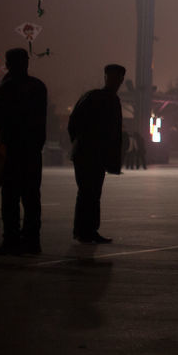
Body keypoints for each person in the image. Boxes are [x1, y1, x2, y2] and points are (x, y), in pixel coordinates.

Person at [0, 48, 48, 256]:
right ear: (27, 63)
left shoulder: (8, 87)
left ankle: (11, 240)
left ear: (9, 64)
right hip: (32, 150)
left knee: (10, 197)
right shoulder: (38, 86)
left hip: (11, 148)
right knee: (31, 198)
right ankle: (32, 241)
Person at [68, 64, 126, 245]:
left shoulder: (94, 97)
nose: (116, 82)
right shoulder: (103, 99)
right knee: (89, 193)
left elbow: (73, 124)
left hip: (91, 154)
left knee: (90, 193)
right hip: (90, 154)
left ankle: (86, 230)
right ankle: (86, 231)